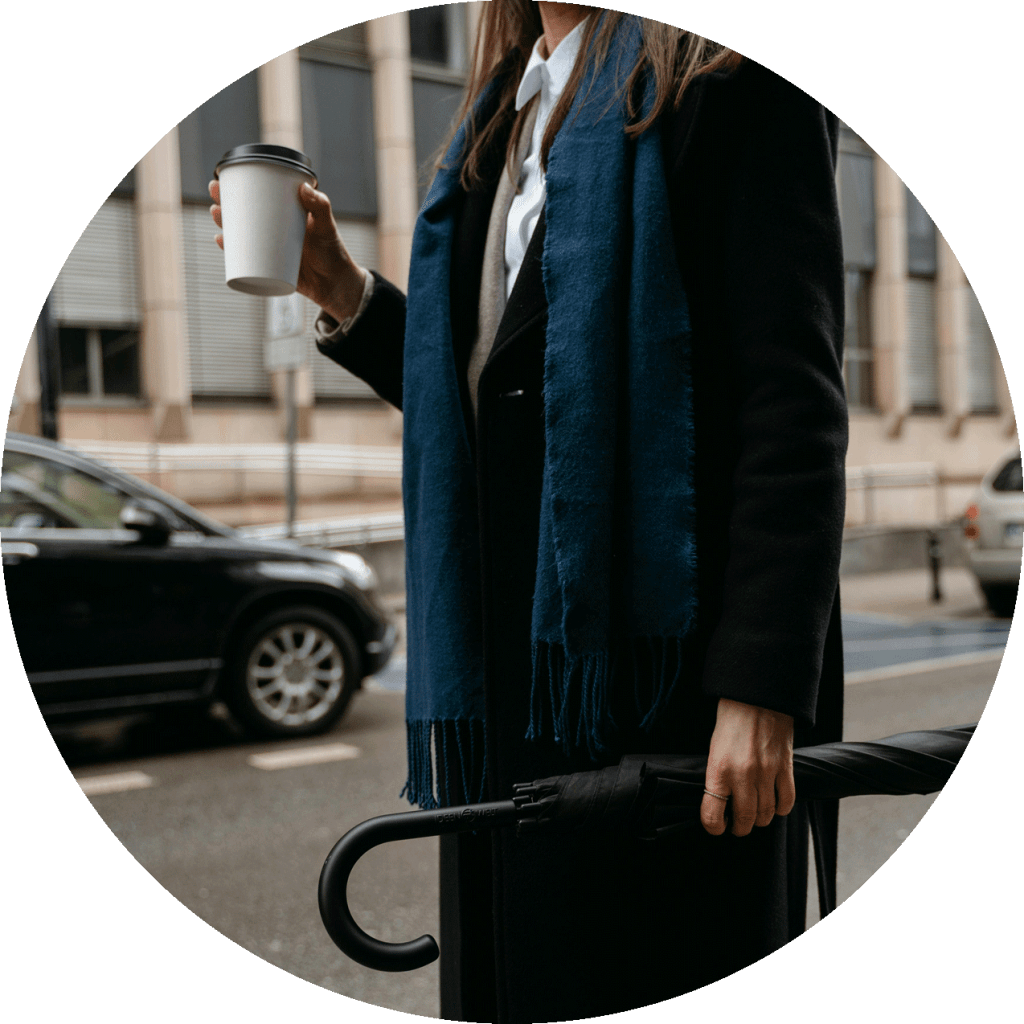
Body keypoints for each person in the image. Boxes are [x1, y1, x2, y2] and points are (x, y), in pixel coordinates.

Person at [211, 3, 847, 1020]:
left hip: (664, 698)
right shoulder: (497, 126)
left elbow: (792, 402)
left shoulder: (738, 76)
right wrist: (340, 288)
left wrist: (762, 686)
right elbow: (494, 404)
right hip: (512, 697)